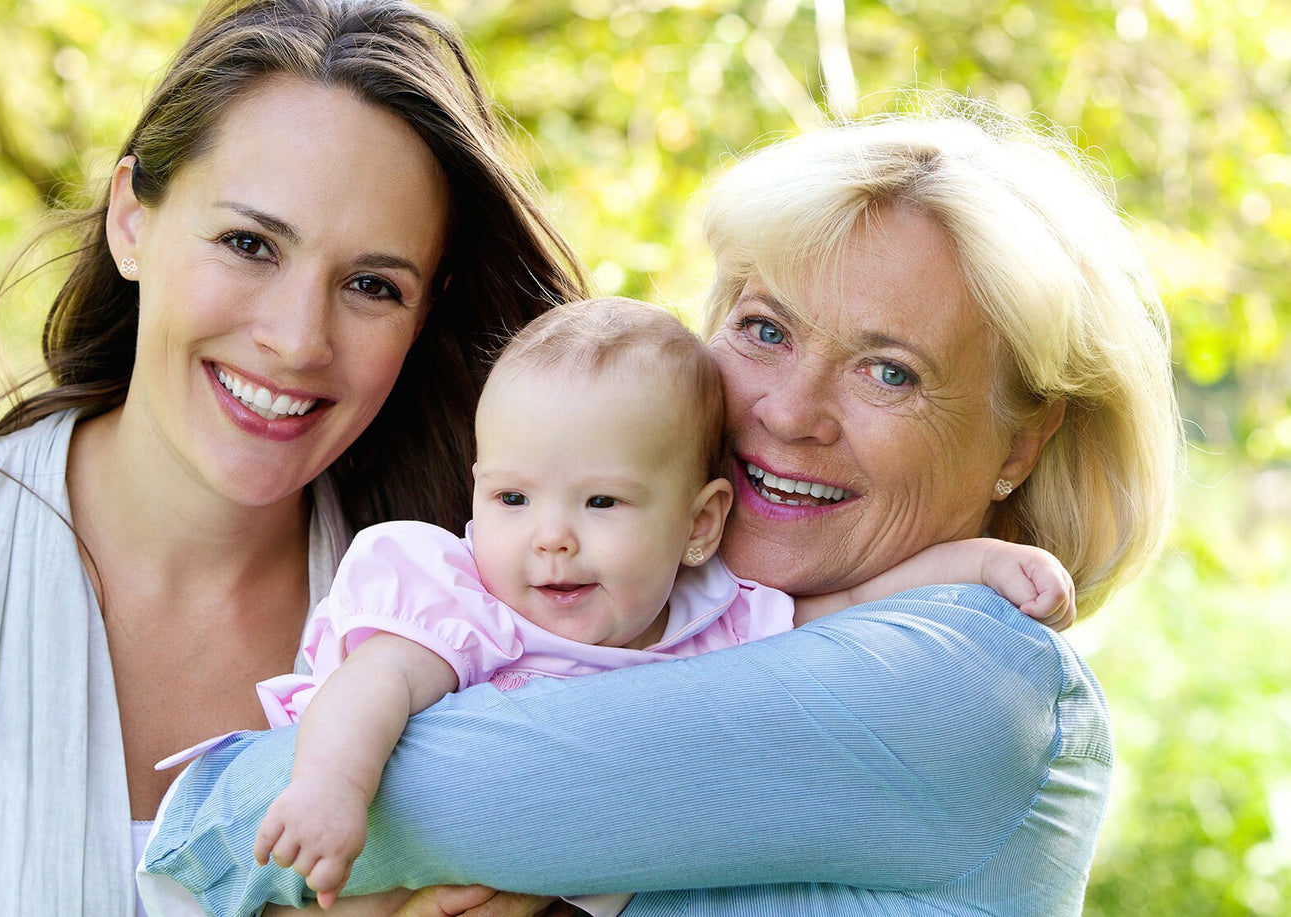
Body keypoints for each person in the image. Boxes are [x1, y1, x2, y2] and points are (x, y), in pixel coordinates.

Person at [140, 100, 1183, 916]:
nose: (785, 409)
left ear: (1020, 438)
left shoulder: (962, 678)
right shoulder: (715, 613)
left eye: (889, 371)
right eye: (764, 329)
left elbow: (257, 813)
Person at [0, 0, 587, 916]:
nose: (296, 338)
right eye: (248, 242)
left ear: (424, 312)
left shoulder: (495, 617)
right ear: (132, 218)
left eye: (370, 284)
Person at [143, 296, 1074, 917]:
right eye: (511, 499)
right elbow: (376, 682)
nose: (549, 537)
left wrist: (976, 564)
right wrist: (329, 789)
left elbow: (851, 606)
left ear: (701, 523)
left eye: (600, 504)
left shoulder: (716, 614)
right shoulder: (467, 596)